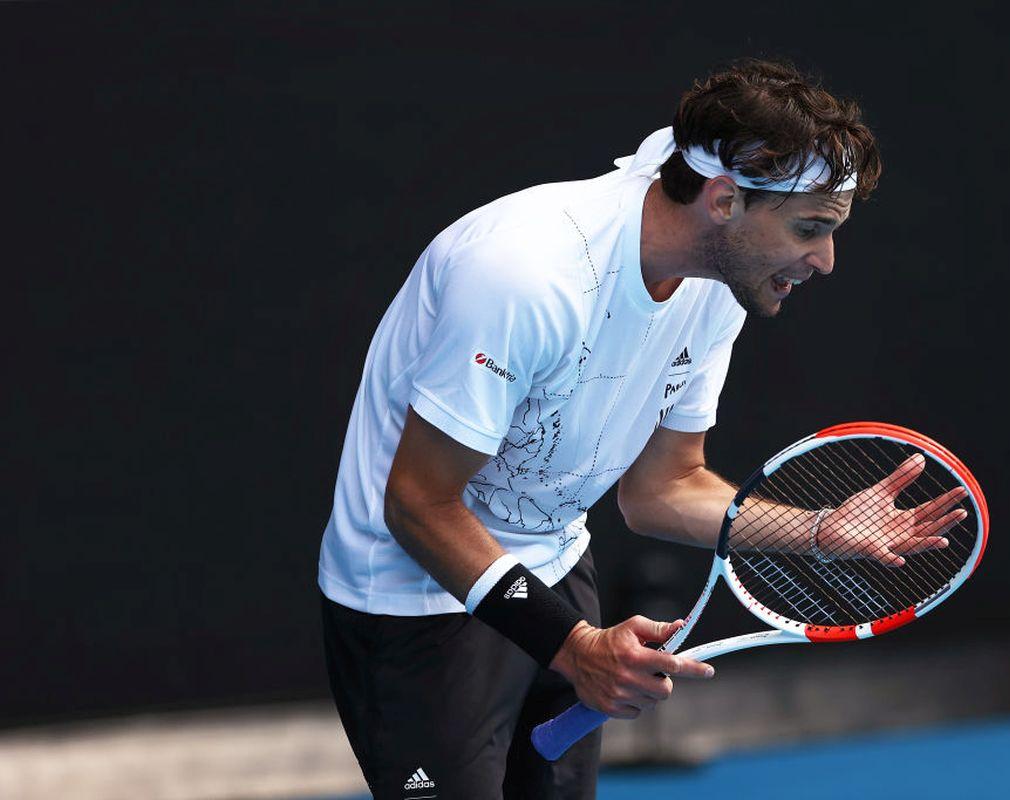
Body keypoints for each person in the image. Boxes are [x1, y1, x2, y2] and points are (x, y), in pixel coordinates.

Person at [318, 58, 888, 799]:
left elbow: (661, 489)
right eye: (810, 228)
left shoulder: (718, 282)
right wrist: (572, 644)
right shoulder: (526, 274)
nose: (826, 260)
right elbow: (418, 505)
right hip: (417, 602)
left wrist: (817, 532)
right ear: (723, 200)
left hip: (555, 574)